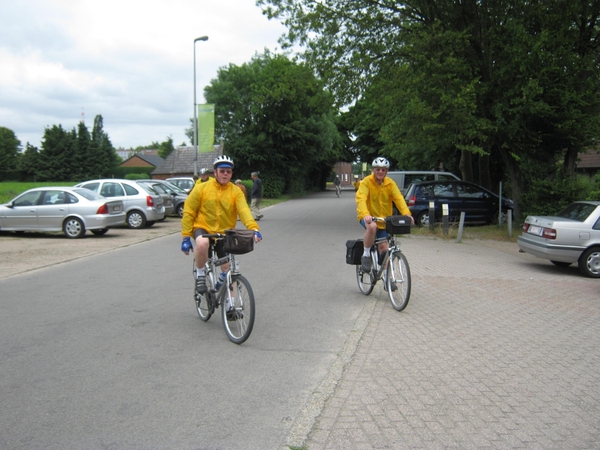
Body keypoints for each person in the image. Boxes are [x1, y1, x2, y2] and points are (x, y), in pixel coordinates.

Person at [181, 155, 262, 314]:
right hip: (203, 227)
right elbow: (189, 211)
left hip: (224, 232)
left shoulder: (235, 191)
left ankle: (230, 305)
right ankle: (201, 274)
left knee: (227, 269)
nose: (226, 174)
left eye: (229, 172)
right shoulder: (202, 188)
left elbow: (244, 211)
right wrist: (185, 236)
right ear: (215, 173)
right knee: (203, 244)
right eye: (222, 171)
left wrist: (254, 228)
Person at [356, 157, 414, 275]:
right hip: (368, 216)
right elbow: (361, 198)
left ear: (386, 171)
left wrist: (407, 214)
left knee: (384, 247)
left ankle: (387, 278)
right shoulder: (366, 182)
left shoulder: (390, 184)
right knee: (372, 227)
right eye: (378, 169)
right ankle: (366, 255)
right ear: (373, 170)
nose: (380, 172)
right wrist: (365, 214)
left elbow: (399, 199)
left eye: (383, 170)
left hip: (384, 220)